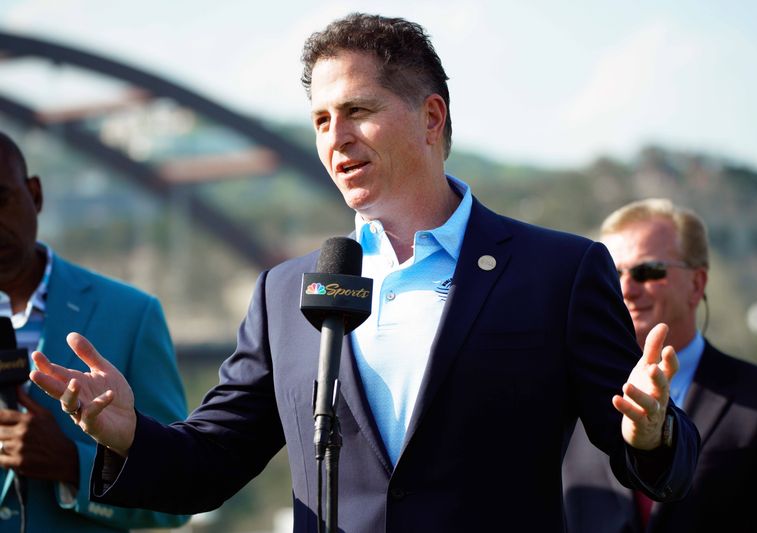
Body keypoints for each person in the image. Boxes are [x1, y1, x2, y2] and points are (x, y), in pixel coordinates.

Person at [30, 14, 700, 533]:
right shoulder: (285, 291)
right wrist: (129, 434)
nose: (335, 137)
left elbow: (652, 457)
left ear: (431, 117)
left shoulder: (557, 271)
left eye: (357, 111)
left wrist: (653, 431)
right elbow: (210, 464)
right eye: (321, 119)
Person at [562, 198, 757, 532]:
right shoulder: (566, 396)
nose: (626, 288)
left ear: (697, 284)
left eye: (647, 271)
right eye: (612, 273)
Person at [0, 131, 189, 532]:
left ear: (34, 194)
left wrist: (73, 464)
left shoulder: (133, 315)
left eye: (0, 199)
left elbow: (179, 490)